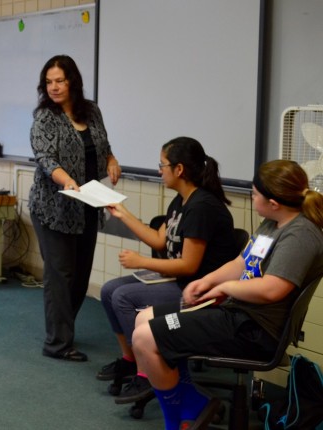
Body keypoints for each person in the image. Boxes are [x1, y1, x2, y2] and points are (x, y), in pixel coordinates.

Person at [131, 160, 323, 430]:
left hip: (254, 331)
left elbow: (272, 289)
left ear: (273, 202)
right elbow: (241, 264)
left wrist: (224, 288)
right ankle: (192, 403)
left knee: (143, 337)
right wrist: (207, 281)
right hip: (236, 313)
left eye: (254, 194)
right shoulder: (274, 223)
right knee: (144, 319)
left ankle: (176, 420)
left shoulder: (300, 235)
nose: (251, 197)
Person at [98, 137, 237, 403]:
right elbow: (160, 240)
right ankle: (130, 359)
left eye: (162, 165)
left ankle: (146, 373)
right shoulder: (181, 201)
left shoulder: (202, 207)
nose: (159, 170)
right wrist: (123, 213)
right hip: (180, 280)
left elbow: (188, 265)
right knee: (109, 290)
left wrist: (142, 262)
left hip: (198, 291)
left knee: (123, 297)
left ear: (179, 169)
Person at [29, 54, 121, 362]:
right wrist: (66, 180)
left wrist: (111, 161)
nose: (53, 87)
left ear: (73, 82)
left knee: (80, 275)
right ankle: (57, 343)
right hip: (52, 207)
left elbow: (103, 145)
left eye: (60, 81)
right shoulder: (45, 117)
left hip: (87, 206)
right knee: (60, 275)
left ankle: (64, 328)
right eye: (48, 82)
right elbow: (44, 159)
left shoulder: (91, 111)